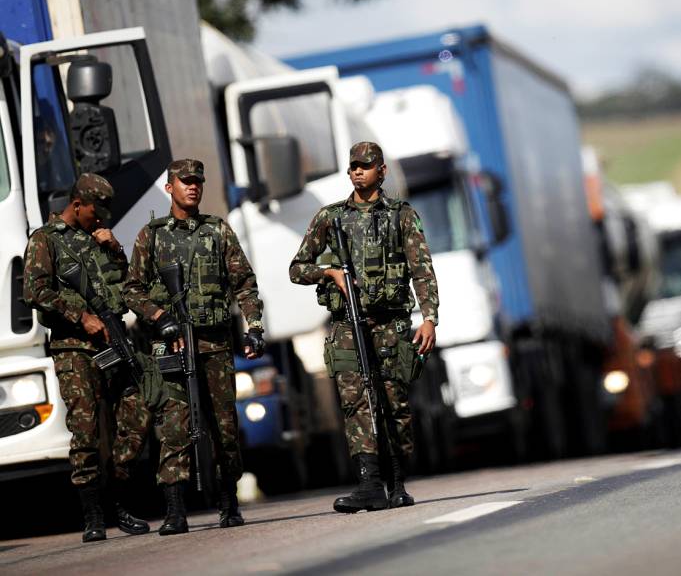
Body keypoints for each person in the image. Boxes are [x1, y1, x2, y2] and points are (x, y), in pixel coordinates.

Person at [289, 141, 438, 512]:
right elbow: (297, 268)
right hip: (347, 326)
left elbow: (422, 269)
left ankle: (398, 480)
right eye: (353, 165)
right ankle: (369, 484)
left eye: (366, 166)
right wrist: (329, 272)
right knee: (357, 403)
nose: (358, 171)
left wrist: (430, 317)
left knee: (394, 404)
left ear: (382, 171)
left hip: (391, 326)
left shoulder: (401, 215)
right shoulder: (331, 217)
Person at [122, 159, 265, 535]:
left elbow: (244, 283)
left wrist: (254, 328)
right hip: (170, 346)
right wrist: (160, 317)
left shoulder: (217, 231)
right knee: (173, 427)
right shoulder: (150, 235)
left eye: (198, 181)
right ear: (169, 187)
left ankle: (228, 502)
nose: (193, 187)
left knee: (224, 426)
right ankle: (175, 510)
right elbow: (131, 289)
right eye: (185, 182)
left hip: (214, 343)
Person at [23, 173, 151, 543]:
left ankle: (120, 496)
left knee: (138, 413)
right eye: (95, 213)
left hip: (114, 342)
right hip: (74, 348)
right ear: (76, 205)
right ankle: (94, 514)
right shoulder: (45, 240)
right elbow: (35, 290)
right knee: (87, 431)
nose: (100, 221)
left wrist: (116, 249)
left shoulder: (99, 239)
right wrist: (80, 316)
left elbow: (128, 287)